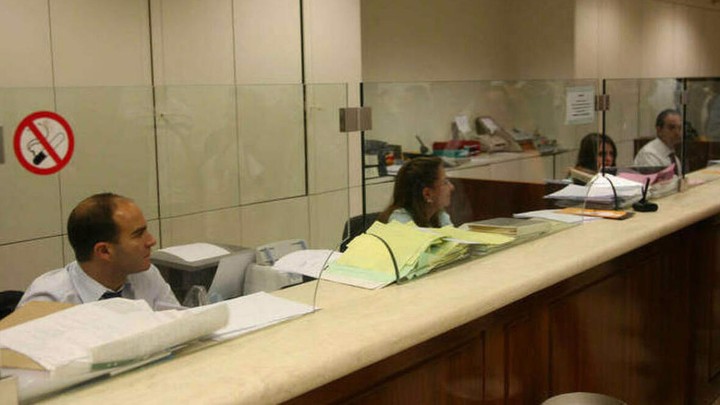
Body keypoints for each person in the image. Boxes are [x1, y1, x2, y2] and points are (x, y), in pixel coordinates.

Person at [18, 193, 182, 311]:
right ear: (104, 251)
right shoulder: (49, 300)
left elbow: (180, 329)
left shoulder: (146, 275)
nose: (151, 241)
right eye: (138, 235)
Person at [378, 156, 455, 227]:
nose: (452, 187)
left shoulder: (439, 215)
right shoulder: (400, 222)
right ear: (427, 194)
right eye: (445, 182)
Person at [633, 109, 683, 174]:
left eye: (679, 128)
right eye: (671, 128)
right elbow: (653, 179)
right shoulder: (649, 155)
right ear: (659, 130)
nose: (677, 133)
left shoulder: (673, 156)